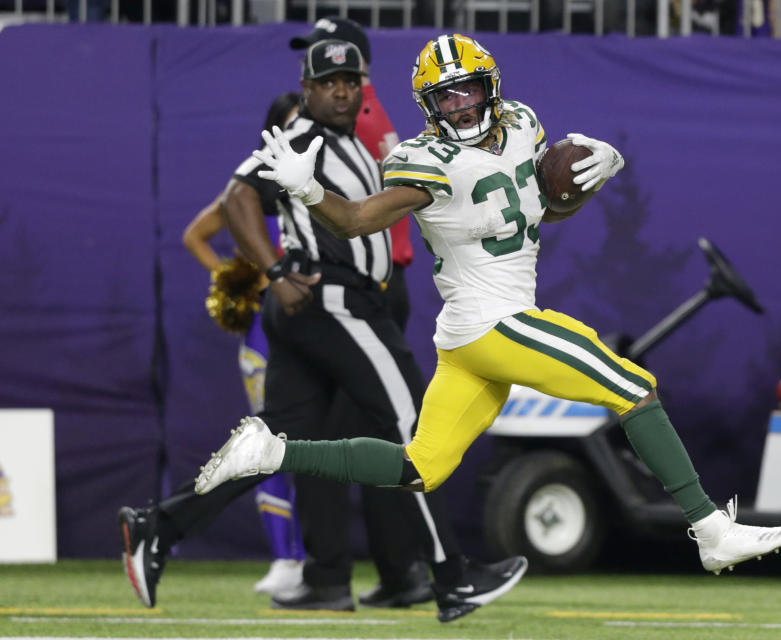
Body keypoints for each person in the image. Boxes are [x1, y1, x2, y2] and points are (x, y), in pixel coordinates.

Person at [194, 33, 781, 590]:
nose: (460, 105)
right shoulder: (423, 159)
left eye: (467, 90)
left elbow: (541, 213)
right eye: (445, 96)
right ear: (427, 105)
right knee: (633, 386)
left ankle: (271, 451)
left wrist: (592, 183)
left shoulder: (522, 126)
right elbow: (357, 220)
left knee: (419, 467)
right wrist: (307, 190)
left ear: (491, 87)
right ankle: (710, 530)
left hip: (470, 339)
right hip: (492, 322)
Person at [138, 36, 524, 622]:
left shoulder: (347, 142)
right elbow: (238, 196)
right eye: (329, 83)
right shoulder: (302, 138)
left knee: (270, 445)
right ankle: (452, 577)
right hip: (335, 300)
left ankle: (160, 526)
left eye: (351, 81)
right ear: (308, 90)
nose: (342, 91)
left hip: (331, 305)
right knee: (413, 424)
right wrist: (270, 271)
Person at [287, 18, 429, 609]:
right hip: (378, 282)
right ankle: (393, 573)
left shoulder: (354, 120)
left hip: (363, 286)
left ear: (359, 72)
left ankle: (404, 570)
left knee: (362, 437)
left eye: (344, 73)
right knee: (357, 437)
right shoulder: (378, 118)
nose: (337, 87)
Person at [180, 91, 307, 597]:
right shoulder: (253, 186)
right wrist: (239, 280)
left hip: (319, 322)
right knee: (266, 438)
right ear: (273, 131)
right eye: (293, 123)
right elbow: (196, 235)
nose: (303, 132)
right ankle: (285, 557)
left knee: (319, 438)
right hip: (265, 330)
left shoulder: (324, 180)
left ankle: (320, 556)